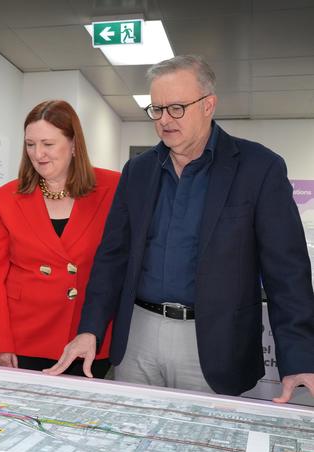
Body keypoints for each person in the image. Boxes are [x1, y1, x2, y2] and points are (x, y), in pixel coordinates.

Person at [46, 55, 314, 402]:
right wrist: (90, 329)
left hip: (214, 342)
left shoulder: (258, 168)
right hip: (139, 336)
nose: (164, 120)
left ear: (208, 105)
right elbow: (113, 257)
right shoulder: (138, 171)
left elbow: (287, 271)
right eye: (156, 109)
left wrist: (300, 356)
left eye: (176, 108)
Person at [0, 100, 119, 377]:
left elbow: (118, 265)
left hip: (85, 336)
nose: (38, 154)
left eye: (48, 144)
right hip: (23, 338)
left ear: (74, 144)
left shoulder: (113, 189)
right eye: (30, 144)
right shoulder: (7, 198)